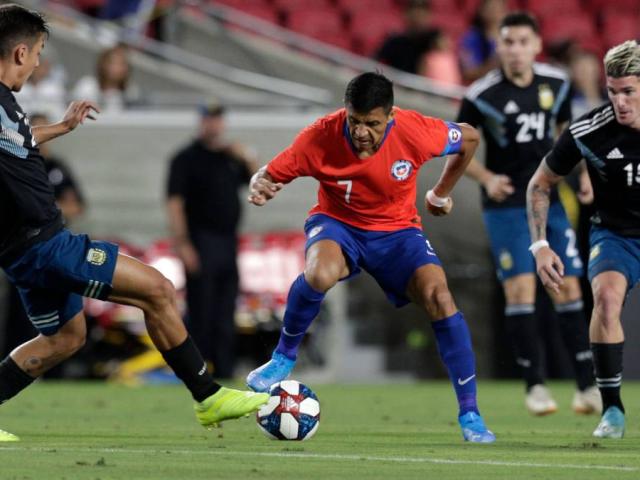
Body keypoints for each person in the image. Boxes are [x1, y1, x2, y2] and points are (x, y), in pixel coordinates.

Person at [0, 4, 267, 443]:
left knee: (65, 338)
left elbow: (19, 137)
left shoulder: (7, 107)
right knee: (158, 290)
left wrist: (62, 127)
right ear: (21, 52)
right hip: (45, 246)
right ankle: (207, 395)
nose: (38, 65)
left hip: (24, 251)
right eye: (38, 54)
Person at [245, 71, 496, 443]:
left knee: (440, 298)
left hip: (398, 233)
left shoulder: (416, 131)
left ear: (390, 117)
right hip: (338, 225)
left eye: (372, 124)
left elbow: (470, 137)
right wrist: (260, 183)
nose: (361, 132)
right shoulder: (321, 136)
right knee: (319, 273)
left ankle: (470, 413)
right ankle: (283, 357)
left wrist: (441, 192)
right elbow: (270, 173)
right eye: (355, 121)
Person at [456, 12, 600, 416]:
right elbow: (457, 149)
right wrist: (486, 178)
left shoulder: (556, 82)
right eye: (507, 42)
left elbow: (569, 134)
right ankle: (535, 385)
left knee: (569, 288)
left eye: (522, 41)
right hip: (505, 206)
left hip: (549, 200)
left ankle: (586, 387)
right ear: (498, 46)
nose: (515, 50)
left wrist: (585, 173)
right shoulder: (482, 94)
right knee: (522, 290)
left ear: (536, 45)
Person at [527, 39, 640, 439]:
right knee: (606, 300)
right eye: (612, 91)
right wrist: (540, 246)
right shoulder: (591, 130)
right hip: (617, 233)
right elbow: (541, 183)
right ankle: (612, 411)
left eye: (629, 91)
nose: (619, 101)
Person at [166, 102, 257, 379]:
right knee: (201, 312)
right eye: (209, 119)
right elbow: (175, 203)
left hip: (228, 242)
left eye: (218, 120)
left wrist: (245, 156)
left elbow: (257, 181)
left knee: (226, 312)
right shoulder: (186, 158)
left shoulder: (229, 157)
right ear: (201, 122)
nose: (214, 125)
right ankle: (198, 375)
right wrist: (183, 244)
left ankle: (226, 373)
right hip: (200, 241)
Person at [1, 112, 85, 360]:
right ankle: (14, 363)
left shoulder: (56, 167)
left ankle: (56, 370)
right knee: (19, 315)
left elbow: (76, 205)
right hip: (21, 250)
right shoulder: (11, 164)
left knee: (64, 318)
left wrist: (42, 210)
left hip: (54, 246)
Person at [375, 0, 438, 74]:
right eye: (414, 11)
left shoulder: (435, 41)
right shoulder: (394, 42)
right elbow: (373, 61)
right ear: (405, 14)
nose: (417, 16)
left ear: (429, 15)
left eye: (421, 12)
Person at [71, 44, 140, 111]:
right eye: (114, 63)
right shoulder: (87, 85)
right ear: (103, 64)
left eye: (122, 64)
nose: (118, 68)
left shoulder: (131, 92)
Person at [459, 0, 507, 83]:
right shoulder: (472, 38)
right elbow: (469, 73)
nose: (494, 12)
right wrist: (495, 62)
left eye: (497, 8)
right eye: (490, 8)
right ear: (482, 10)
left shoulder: (511, 38)